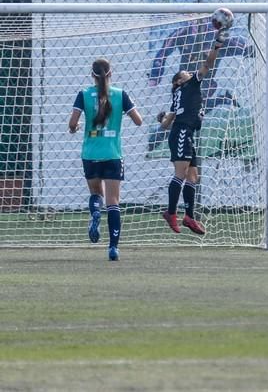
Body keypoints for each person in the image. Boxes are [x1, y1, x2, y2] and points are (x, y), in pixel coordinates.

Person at [68, 58, 142, 261]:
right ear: (111, 73)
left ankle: (94, 212)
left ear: (92, 75)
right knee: (113, 202)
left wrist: (74, 128)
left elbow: (73, 122)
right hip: (112, 153)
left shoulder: (83, 94)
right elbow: (138, 120)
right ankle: (113, 248)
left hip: (91, 153)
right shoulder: (120, 94)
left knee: (95, 193)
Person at [158, 26, 229, 235]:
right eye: (185, 73)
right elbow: (208, 64)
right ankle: (171, 213)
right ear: (179, 81)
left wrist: (163, 119)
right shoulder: (189, 86)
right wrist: (217, 45)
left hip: (184, 134)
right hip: (182, 133)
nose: (189, 72)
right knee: (180, 175)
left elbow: (165, 125)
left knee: (193, 176)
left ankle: (189, 216)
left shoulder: (179, 95)